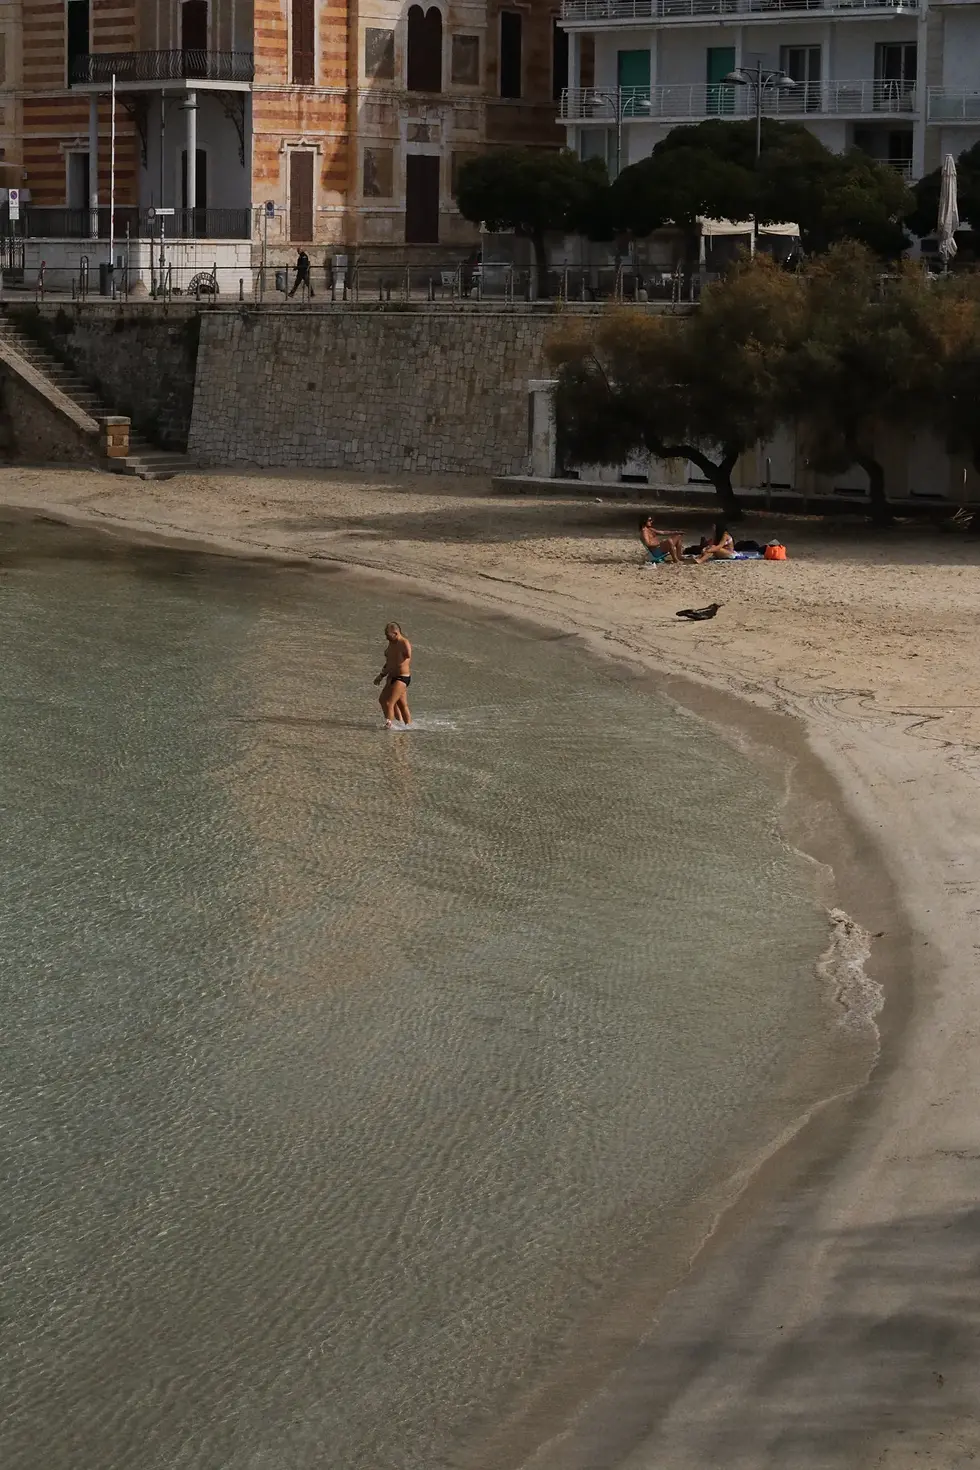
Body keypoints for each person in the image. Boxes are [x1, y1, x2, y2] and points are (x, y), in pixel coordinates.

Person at [373, 622, 412, 729]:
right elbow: (389, 661)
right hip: (391, 676)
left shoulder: (404, 642)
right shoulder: (391, 643)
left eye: (388, 635)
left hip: (401, 677)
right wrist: (381, 675)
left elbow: (407, 655)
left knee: (389, 702)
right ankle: (405, 726)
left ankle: (389, 724)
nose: (386, 638)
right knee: (398, 704)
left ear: (395, 633)